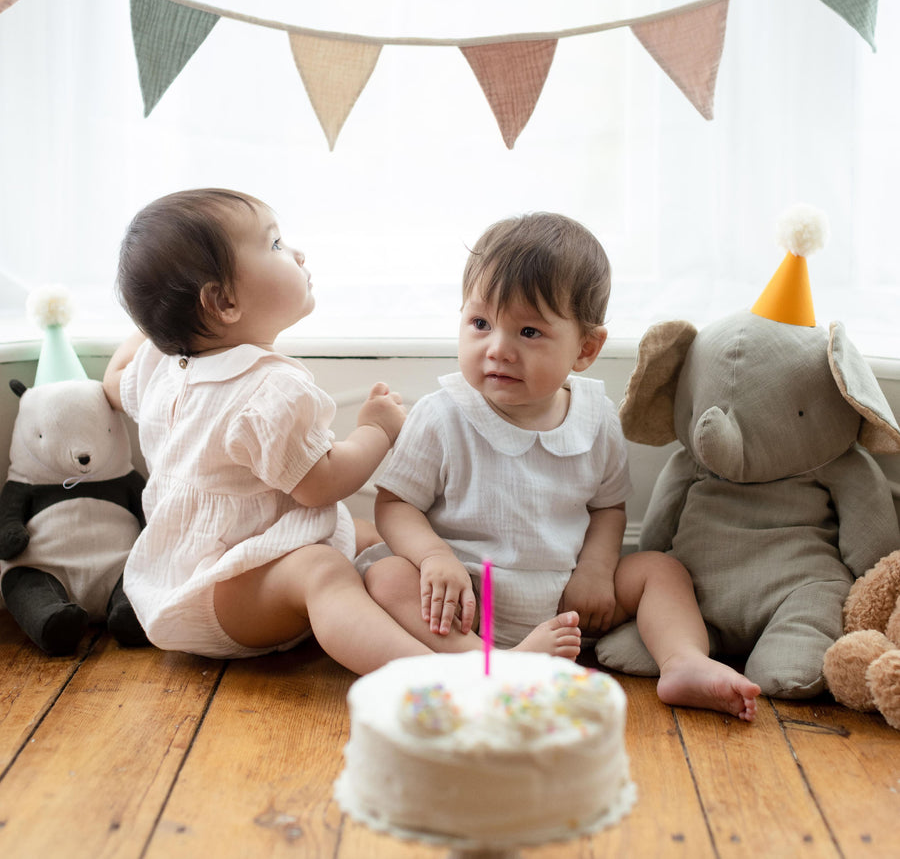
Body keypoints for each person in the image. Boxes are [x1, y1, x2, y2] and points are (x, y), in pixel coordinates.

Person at [358, 212, 761, 720]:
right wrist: (434, 557)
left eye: (529, 331)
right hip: (466, 596)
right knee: (387, 577)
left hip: (568, 598)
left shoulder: (595, 417)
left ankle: (683, 661)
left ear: (586, 349)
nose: (498, 349)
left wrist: (595, 570)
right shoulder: (444, 414)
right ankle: (489, 665)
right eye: (480, 324)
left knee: (660, 570)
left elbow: (608, 507)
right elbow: (395, 504)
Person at [102, 188, 434, 674]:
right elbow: (320, 484)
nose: (297, 253)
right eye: (276, 245)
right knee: (322, 570)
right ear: (223, 301)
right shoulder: (268, 389)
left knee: (367, 538)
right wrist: (376, 431)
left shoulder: (162, 365)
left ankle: (475, 647)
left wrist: (157, 325)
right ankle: (433, 674)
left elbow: (114, 384)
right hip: (220, 592)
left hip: (176, 576)